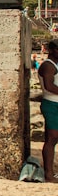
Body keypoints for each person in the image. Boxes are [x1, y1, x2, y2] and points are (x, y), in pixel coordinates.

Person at [38, 40, 58, 183]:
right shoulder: (48, 66)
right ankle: (49, 175)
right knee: (52, 138)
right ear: (52, 50)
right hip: (51, 104)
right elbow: (49, 86)